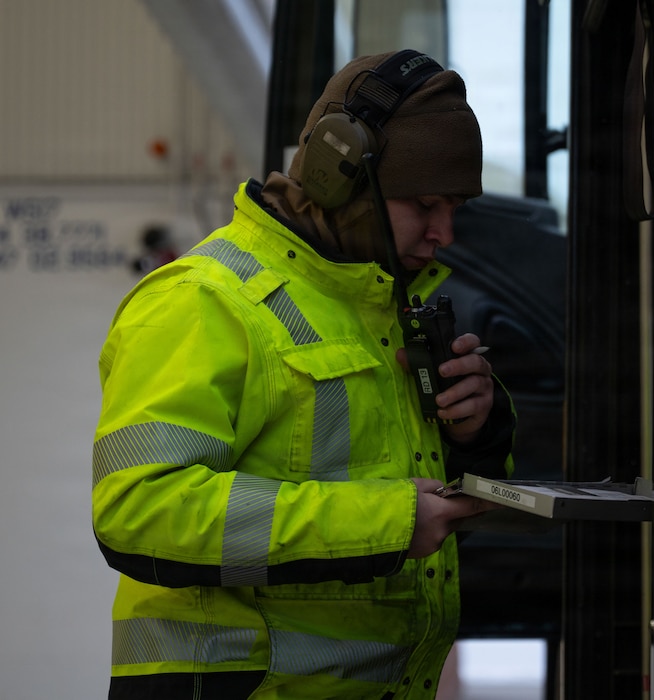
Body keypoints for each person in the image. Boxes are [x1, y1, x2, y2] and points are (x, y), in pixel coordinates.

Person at [91, 49, 516, 699]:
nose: (445, 233)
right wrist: (390, 522)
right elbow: (139, 510)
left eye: (455, 207)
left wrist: (474, 433)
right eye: (426, 204)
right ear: (337, 175)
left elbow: (399, 482)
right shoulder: (203, 299)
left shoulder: (375, 307)